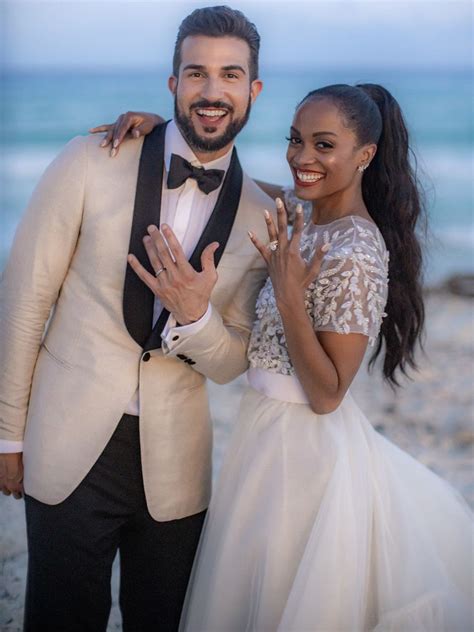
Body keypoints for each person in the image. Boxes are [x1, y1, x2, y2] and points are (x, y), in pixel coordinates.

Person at [98, 85, 473, 630]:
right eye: (296, 140)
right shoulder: (301, 211)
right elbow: (234, 186)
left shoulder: (359, 251)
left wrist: (291, 296)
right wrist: (169, 136)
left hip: (307, 451)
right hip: (262, 432)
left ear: (364, 154)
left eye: (324, 145)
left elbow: (327, 394)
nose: (302, 157)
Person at [0, 6, 275, 631]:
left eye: (230, 75)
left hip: (176, 466)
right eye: (196, 73)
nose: (212, 91)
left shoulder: (262, 216)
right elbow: (24, 301)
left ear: (253, 90)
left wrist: (196, 315)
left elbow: (235, 360)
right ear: (172, 83)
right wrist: (7, 436)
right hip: (67, 441)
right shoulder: (90, 159)